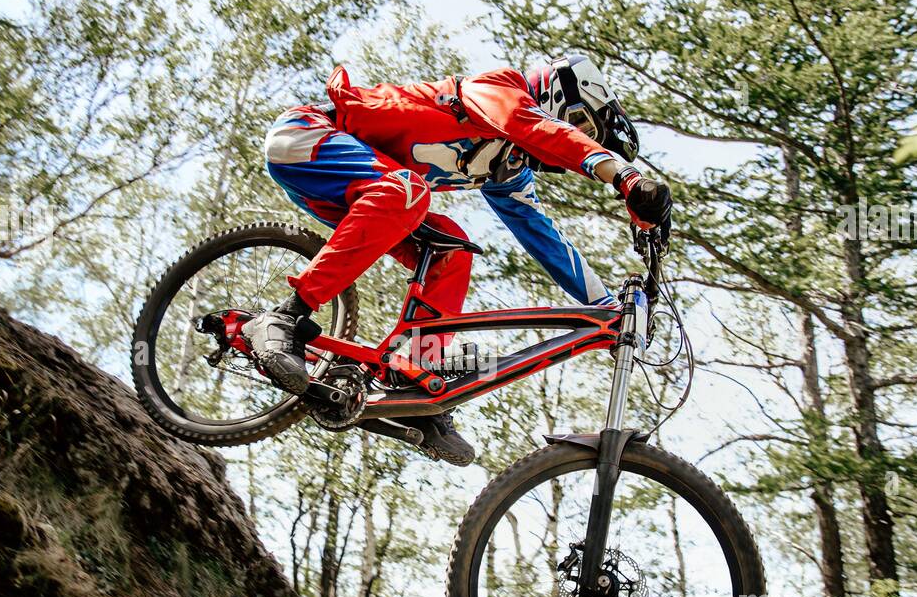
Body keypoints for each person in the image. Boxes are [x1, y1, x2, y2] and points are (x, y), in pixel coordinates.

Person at [242, 55, 672, 465]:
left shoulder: (508, 169)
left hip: (357, 189)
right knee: (409, 190)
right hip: (307, 137)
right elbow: (541, 130)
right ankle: (284, 316)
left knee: (453, 248)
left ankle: (414, 377)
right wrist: (626, 178)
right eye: (579, 122)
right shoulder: (502, 90)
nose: (575, 135)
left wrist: (607, 308)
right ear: (558, 93)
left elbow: (546, 240)